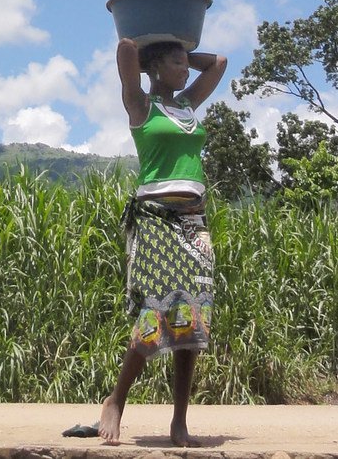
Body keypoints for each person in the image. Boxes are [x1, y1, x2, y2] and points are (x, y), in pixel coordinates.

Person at [96, 37, 227, 446]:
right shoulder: (140, 105)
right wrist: (156, 36)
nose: (185, 69)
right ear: (153, 67)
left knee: (192, 317)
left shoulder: (188, 103)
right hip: (154, 218)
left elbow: (219, 62)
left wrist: (181, 48)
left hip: (193, 222)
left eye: (187, 62)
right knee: (155, 312)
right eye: (176, 62)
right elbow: (125, 48)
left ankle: (180, 420)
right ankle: (116, 400)